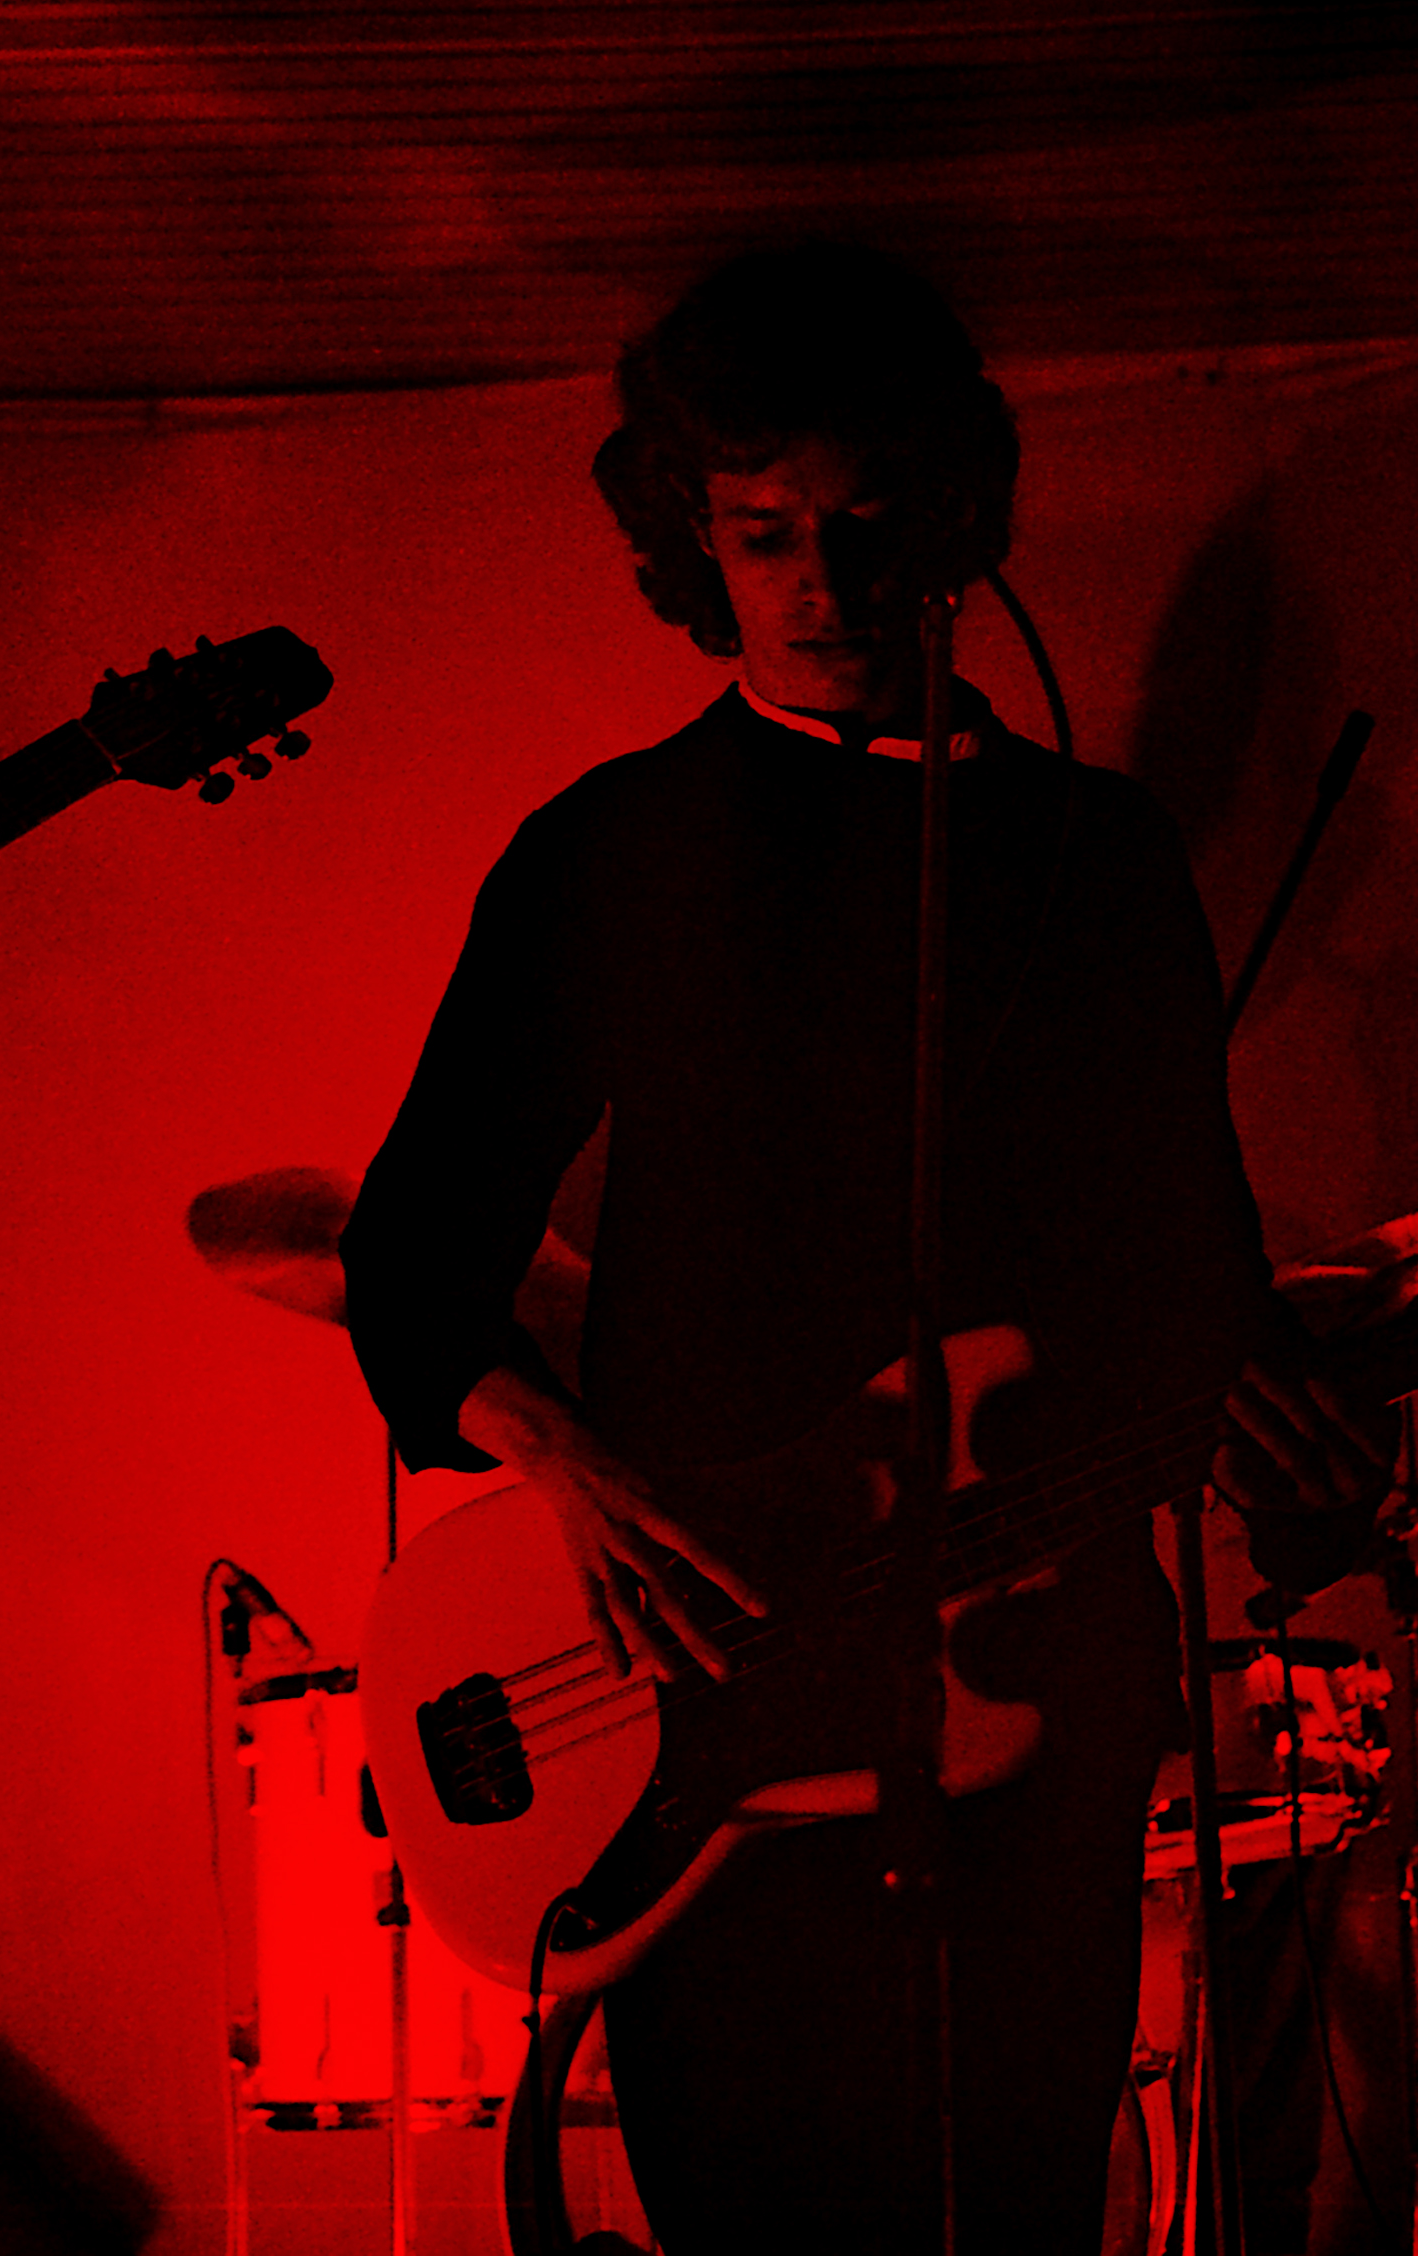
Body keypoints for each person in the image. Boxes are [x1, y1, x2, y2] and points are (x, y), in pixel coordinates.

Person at [340, 241, 1387, 2253]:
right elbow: (410, 1257)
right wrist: (571, 1467)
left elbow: (1184, 1267)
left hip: (1031, 1711)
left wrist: (1295, 1439)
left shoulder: (1093, 858)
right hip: (696, 1709)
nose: (820, 583)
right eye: (763, 533)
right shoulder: (610, 849)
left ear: (953, 520)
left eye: (865, 523)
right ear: (694, 542)